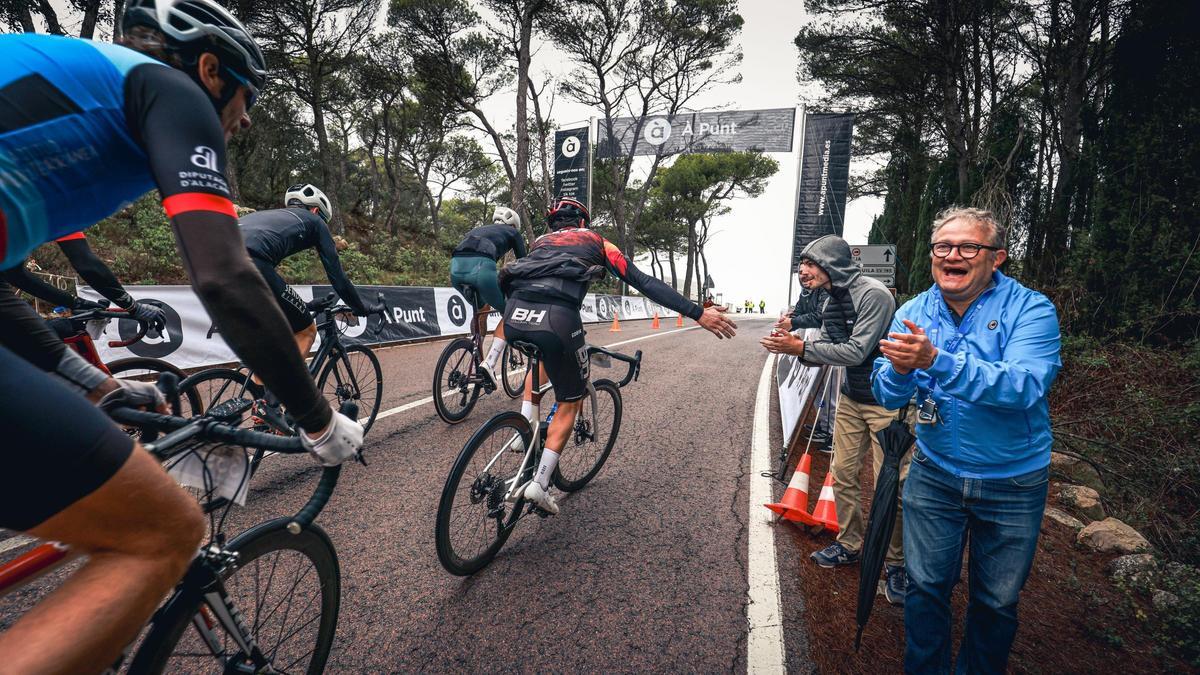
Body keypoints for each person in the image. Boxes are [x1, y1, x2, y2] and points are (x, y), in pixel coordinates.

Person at [0, 2, 362, 670]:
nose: (246, 117)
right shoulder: (167, 88)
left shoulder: (86, 91)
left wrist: (93, 382)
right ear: (208, 69)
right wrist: (318, 420)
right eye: (245, 94)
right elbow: (223, 277)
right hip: (254, 273)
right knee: (161, 531)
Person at [872, 207, 1061, 673]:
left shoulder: (1032, 308)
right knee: (925, 587)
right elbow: (884, 389)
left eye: (967, 247)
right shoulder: (913, 311)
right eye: (943, 247)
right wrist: (899, 369)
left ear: (995, 258)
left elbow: (1024, 386)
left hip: (1013, 481)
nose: (952, 255)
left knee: (996, 602)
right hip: (935, 473)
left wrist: (934, 360)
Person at [499, 197, 737, 514]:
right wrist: (696, 312)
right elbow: (642, 281)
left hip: (514, 317)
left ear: (552, 223)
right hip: (557, 320)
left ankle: (525, 424)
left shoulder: (538, 242)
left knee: (543, 358)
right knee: (570, 398)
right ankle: (540, 485)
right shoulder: (596, 241)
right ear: (583, 222)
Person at [760, 234, 911, 606]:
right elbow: (827, 346)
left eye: (810, 264)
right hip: (851, 398)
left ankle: (896, 563)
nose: (803, 272)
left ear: (831, 264)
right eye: (802, 265)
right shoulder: (830, 299)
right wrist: (795, 345)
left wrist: (800, 347)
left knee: (891, 485)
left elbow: (857, 350)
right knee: (842, 474)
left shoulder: (874, 295)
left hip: (887, 403)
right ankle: (849, 544)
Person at [239, 183, 382, 359]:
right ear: (315, 211)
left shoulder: (267, 218)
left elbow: (273, 291)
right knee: (307, 332)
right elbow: (339, 279)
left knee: (271, 342)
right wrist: (360, 307)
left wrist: (307, 306)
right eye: (324, 219)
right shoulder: (314, 221)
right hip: (252, 261)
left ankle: (261, 387)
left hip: (212, 259)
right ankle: (292, 387)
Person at [3, 233, 167, 329]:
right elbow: (87, 264)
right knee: (40, 337)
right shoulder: (55, 203)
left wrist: (76, 302)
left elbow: (16, 275)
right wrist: (133, 306)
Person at [450, 206, 527, 387]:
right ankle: (489, 364)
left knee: (481, 309)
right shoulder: (512, 232)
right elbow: (524, 263)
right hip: (481, 268)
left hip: (455, 269)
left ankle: (476, 354)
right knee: (510, 312)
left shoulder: (478, 230)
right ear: (514, 225)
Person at [775, 268, 834, 452]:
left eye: (808, 268)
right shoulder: (806, 290)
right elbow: (800, 311)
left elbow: (819, 317)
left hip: (830, 342)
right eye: (800, 271)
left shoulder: (825, 288)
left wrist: (793, 323)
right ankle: (823, 425)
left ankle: (833, 433)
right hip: (813, 341)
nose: (803, 274)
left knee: (830, 391)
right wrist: (790, 317)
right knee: (817, 389)